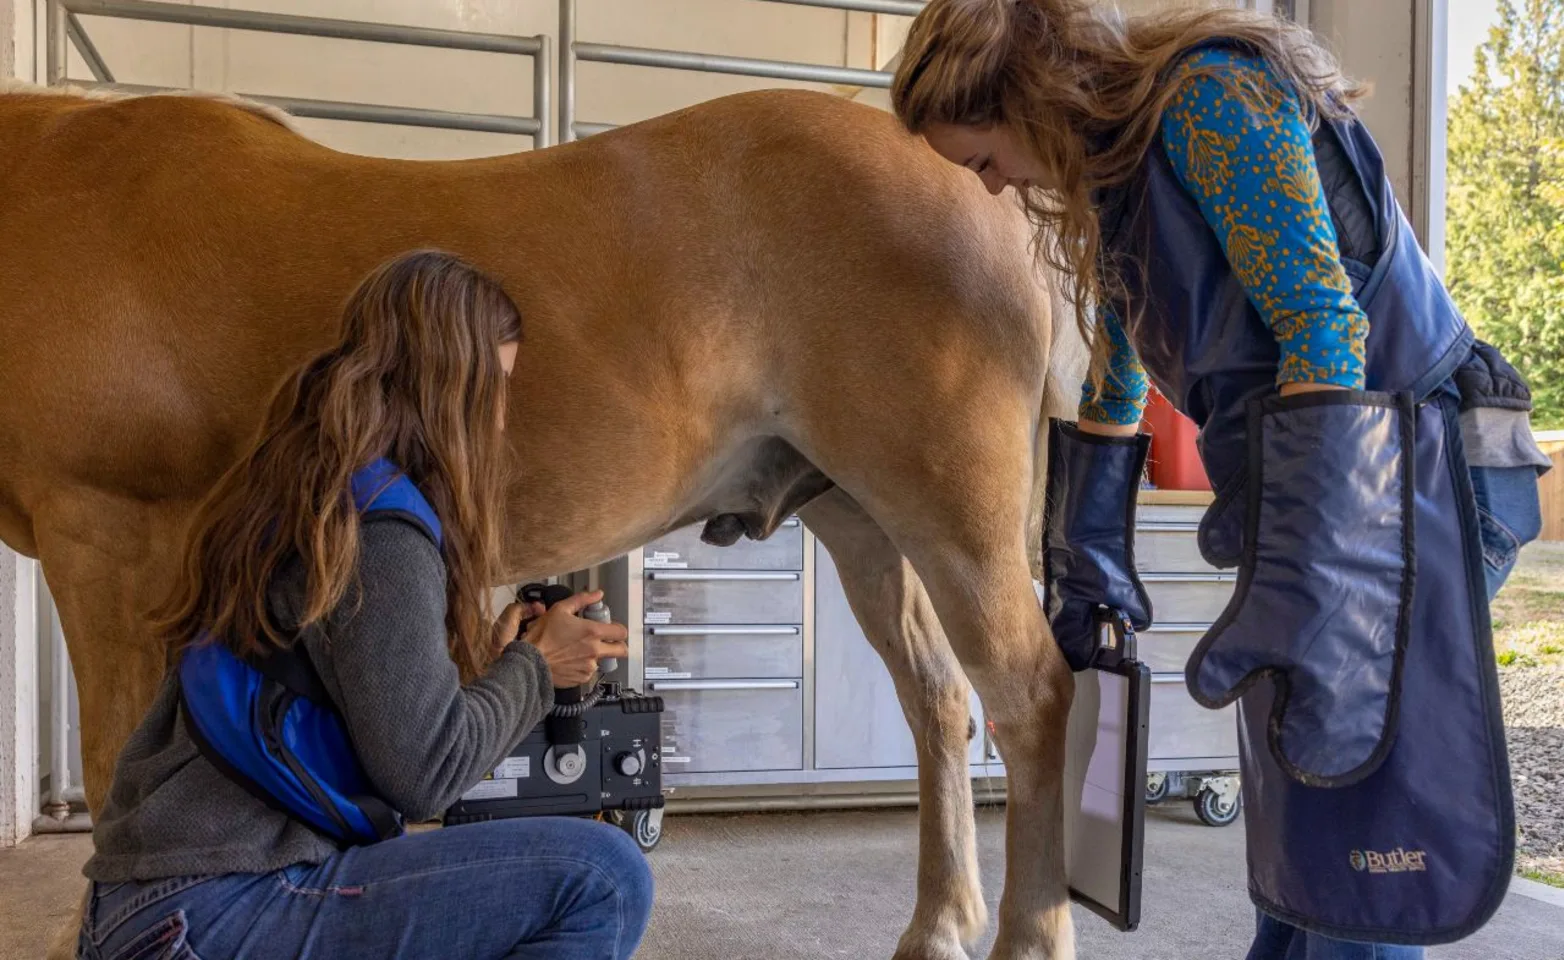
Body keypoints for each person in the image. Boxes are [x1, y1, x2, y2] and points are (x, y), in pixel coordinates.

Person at [891, 2, 1550, 959]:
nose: (992, 188)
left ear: (1030, 98)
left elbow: (1326, 330)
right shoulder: (1113, 180)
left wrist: (1313, 578)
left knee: (1356, 821)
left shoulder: (1208, 100)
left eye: (985, 158)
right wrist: (1089, 560)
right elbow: (1117, 379)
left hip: (1411, 486)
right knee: (1300, 827)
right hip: (1322, 494)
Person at [75, 250, 653, 960]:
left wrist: (498, 670)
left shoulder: (304, 494)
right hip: (219, 908)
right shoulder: (383, 529)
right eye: (496, 388)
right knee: (605, 874)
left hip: (156, 909)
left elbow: (374, 722)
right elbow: (425, 776)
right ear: (452, 388)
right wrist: (537, 667)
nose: (501, 422)